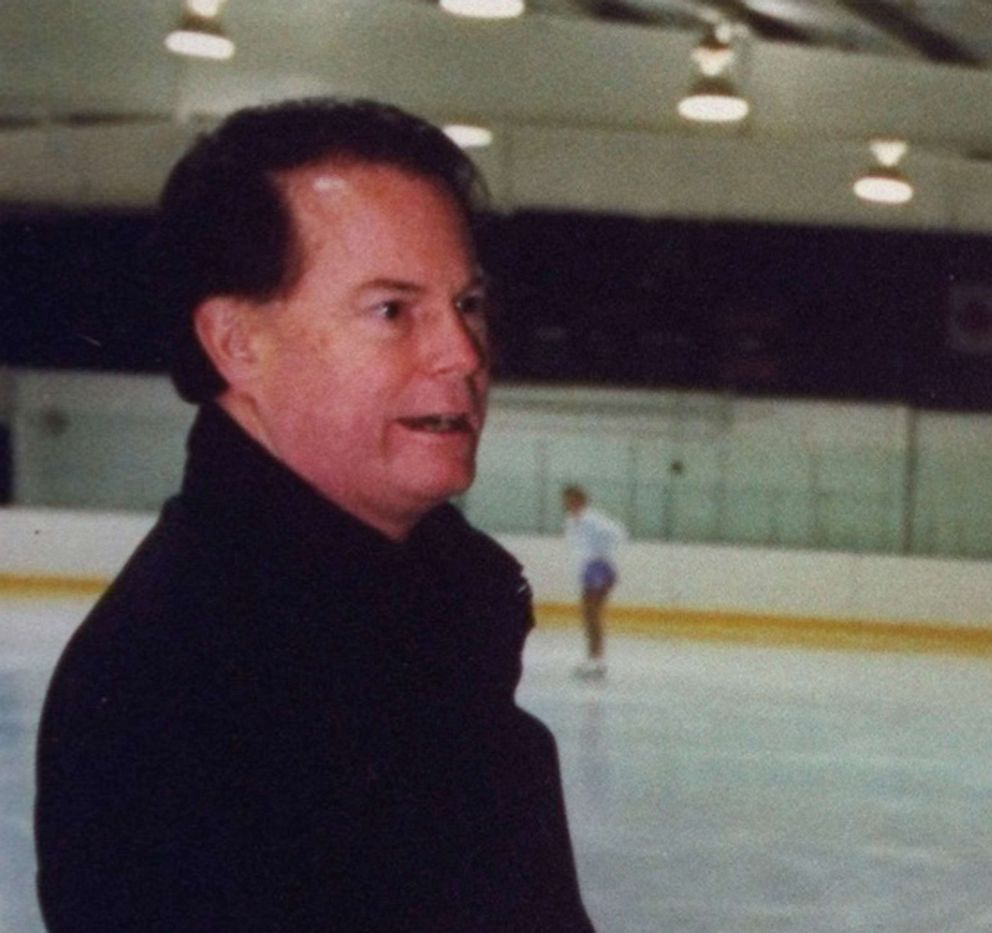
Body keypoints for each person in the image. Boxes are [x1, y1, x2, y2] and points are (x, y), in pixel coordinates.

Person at [34, 98, 594, 932]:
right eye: (393, 310)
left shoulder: (431, 598)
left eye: (468, 304)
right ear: (236, 342)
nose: (464, 355)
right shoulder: (185, 683)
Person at [561, 485, 627, 681]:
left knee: (592, 614)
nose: (569, 503)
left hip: (599, 568)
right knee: (588, 615)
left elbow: (619, 533)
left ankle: (597, 661)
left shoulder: (592, 519)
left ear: (582, 500)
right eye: (567, 500)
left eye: (573, 499)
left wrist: (602, 553)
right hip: (588, 570)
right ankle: (593, 659)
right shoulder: (571, 522)